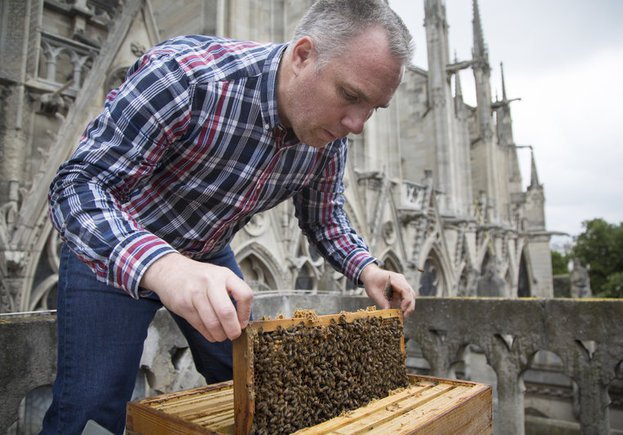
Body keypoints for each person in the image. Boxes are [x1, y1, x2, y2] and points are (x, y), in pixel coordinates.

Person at [41, 0, 416, 433]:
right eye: (350, 96)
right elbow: (78, 186)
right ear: (302, 55)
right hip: (114, 248)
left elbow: (324, 217)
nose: (357, 124)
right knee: (90, 412)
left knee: (260, 393)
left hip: (207, 255)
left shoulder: (328, 136)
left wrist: (366, 268)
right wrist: (162, 266)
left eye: (373, 108)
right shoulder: (185, 74)